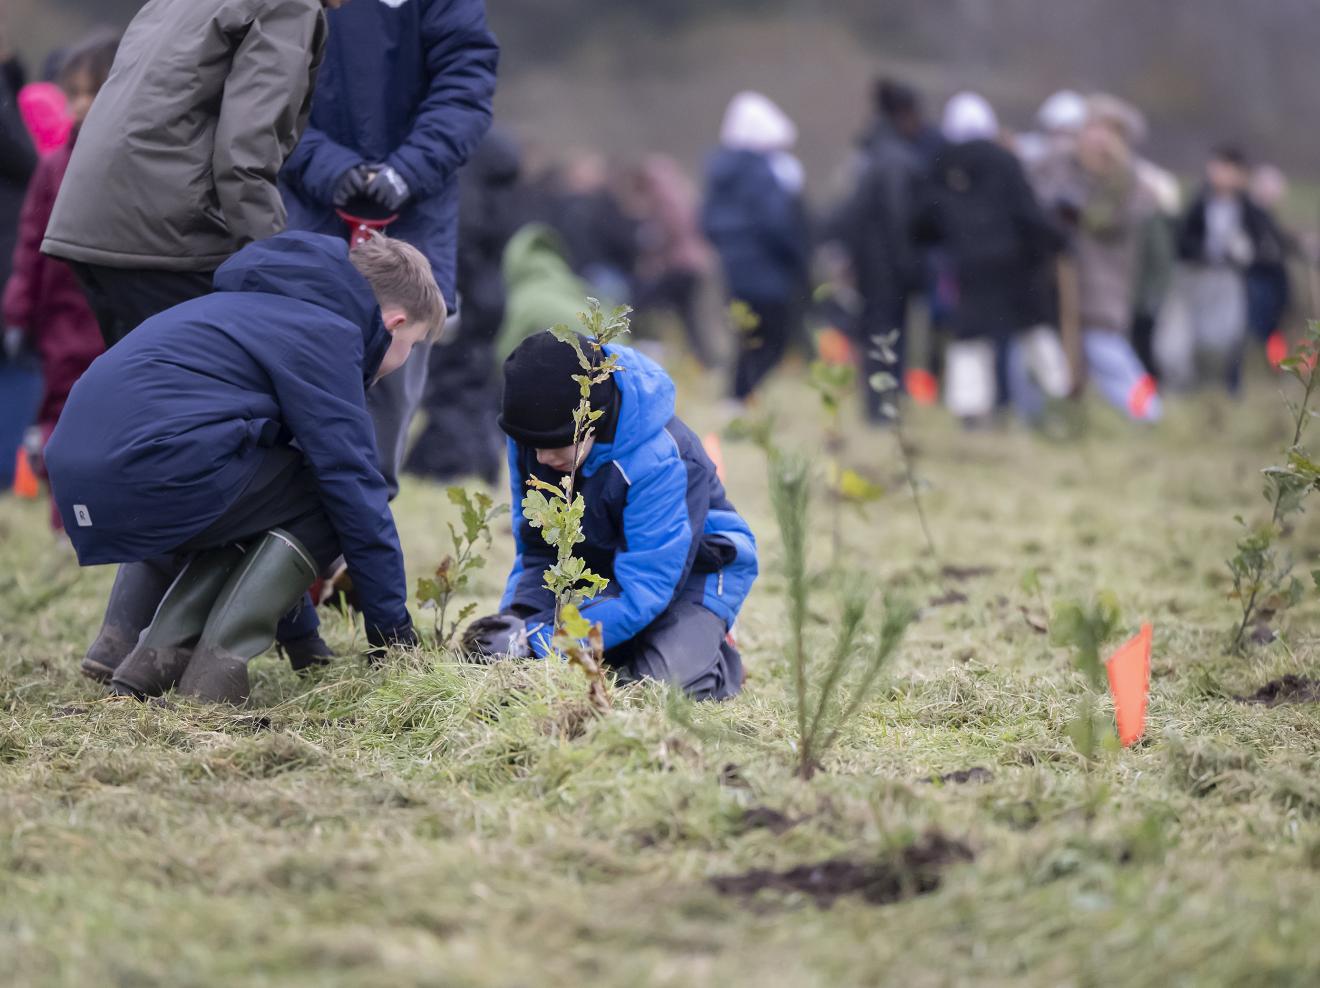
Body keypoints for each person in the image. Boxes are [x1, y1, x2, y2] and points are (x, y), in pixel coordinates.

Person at [45, 232, 444, 704]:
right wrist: (393, 636)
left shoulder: (251, 304)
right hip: (153, 473)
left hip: (81, 476)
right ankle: (213, 671)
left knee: (251, 485)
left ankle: (120, 645)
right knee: (332, 496)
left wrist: (303, 641)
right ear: (395, 323)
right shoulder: (325, 333)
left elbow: (265, 514)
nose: (405, 359)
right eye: (413, 345)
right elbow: (353, 488)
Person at [280, 0, 499, 500]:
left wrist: (407, 170)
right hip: (310, 216)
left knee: (388, 401)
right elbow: (271, 96)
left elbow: (464, 90)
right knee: (292, 390)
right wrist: (327, 168)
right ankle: (283, 551)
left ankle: (354, 555)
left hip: (413, 221)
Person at [469, 332, 758, 700]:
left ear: (591, 421)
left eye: (553, 445)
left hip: (691, 574)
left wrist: (543, 641)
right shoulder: (538, 435)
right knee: (514, 658)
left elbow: (647, 586)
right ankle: (624, 639)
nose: (540, 458)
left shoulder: (662, 458)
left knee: (661, 688)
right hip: (608, 568)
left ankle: (710, 645)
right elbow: (540, 550)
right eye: (532, 445)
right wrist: (517, 624)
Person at [42, 0, 347, 348]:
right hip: (164, 233)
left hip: (90, 217)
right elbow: (246, 156)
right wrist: (277, 264)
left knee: (139, 391)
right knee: (226, 381)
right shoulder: (290, 6)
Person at [3, 32, 118, 530]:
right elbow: (30, 243)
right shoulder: (52, 167)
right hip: (59, 320)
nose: (79, 105)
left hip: (110, 317)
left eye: (91, 92)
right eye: (72, 94)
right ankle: (65, 524)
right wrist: (17, 310)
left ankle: (107, 521)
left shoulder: (128, 162)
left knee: (109, 423)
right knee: (59, 420)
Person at [914, 93, 1067, 425]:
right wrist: (1059, 241)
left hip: (968, 265)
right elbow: (1028, 212)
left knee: (970, 338)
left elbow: (924, 220)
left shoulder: (940, 163)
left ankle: (971, 412)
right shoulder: (1005, 159)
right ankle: (1059, 400)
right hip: (1016, 264)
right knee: (1034, 331)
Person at [1033, 95, 1163, 423]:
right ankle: (1058, 421)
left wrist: (1080, 207)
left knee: (1109, 357)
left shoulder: (1128, 181)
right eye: (1093, 126)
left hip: (1101, 286)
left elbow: (1107, 219)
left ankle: (1149, 414)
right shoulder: (1056, 162)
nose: (1098, 136)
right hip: (1052, 286)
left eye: (1109, 130)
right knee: (1051, 361)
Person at [406, 127, 524, 485]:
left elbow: (461, 239)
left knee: (452, 379)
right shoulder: (502, 187)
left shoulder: (465, 180)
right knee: (474, 376)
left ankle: (451, 464)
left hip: (465, 290)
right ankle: (477, 460)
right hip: (490, 290)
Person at [701, 91, 809, 406]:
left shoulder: (720, 172)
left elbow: (706, 221)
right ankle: (739, 397)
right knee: (774, 338)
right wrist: (798, 258)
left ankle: (736, 397)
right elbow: (778, 224)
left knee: (748, 339)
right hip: (770, 272)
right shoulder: (765, 174)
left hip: (735, 271)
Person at [839, 80, 928, 422]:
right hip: (887, 269)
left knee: (874, 336)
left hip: (869, 265)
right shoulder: (896, 158)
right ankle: (883, 412)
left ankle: (880, 408)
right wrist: (909, 264)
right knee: (887, 337)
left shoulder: (867, 153)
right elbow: (897, 217)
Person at [1159, 146, 1283, 392]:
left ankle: (1221, 392)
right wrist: (1202, 254)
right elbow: (1182, 241)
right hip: (1194, 281)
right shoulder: (1199, 203)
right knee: (1178, 344)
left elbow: (1268, 248)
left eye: (1227, 169)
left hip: (1229, 284)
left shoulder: (1250, 210)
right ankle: (1184, 391)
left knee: (1224, 343)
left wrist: (1246, 253)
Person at [626, 155, 719, 368]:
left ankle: (647, 349)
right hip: (694, 265)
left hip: (680, 266)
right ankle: (704, 360)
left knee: (644, 306)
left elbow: (670, 232)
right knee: (689, 318)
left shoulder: (664, 197)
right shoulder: (681, 192)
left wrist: (654, 255)